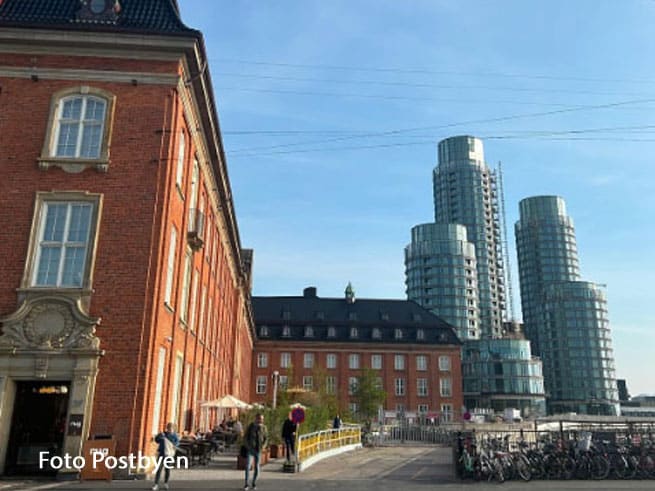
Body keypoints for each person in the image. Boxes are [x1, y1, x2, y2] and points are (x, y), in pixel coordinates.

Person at [243, 413, 268, 491]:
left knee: (257, 467)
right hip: (251, 449)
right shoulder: (251, 426)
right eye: (260, 419)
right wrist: (247, 446)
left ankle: (254, 483)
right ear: (256, 418)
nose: (261, 420)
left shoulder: (264, 428)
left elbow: (266, 438)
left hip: (259, 450)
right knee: (248, 466)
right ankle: (246, 484)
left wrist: (263, 446)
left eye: (262, 419)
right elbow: (245, 437)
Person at [153, 422, 179, 491]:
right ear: (167, 428)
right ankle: (156, 484)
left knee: (167, 470)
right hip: (161, 454)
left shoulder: (175, 436)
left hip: (169, 455)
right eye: (168, 428)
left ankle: (166, 483)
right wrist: (158, 436)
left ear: (173, 429)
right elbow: (157, 440)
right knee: (159, 469)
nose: (169, 429)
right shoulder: (163, 434)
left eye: (171, 428)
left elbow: (177, 443)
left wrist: (174, 445)